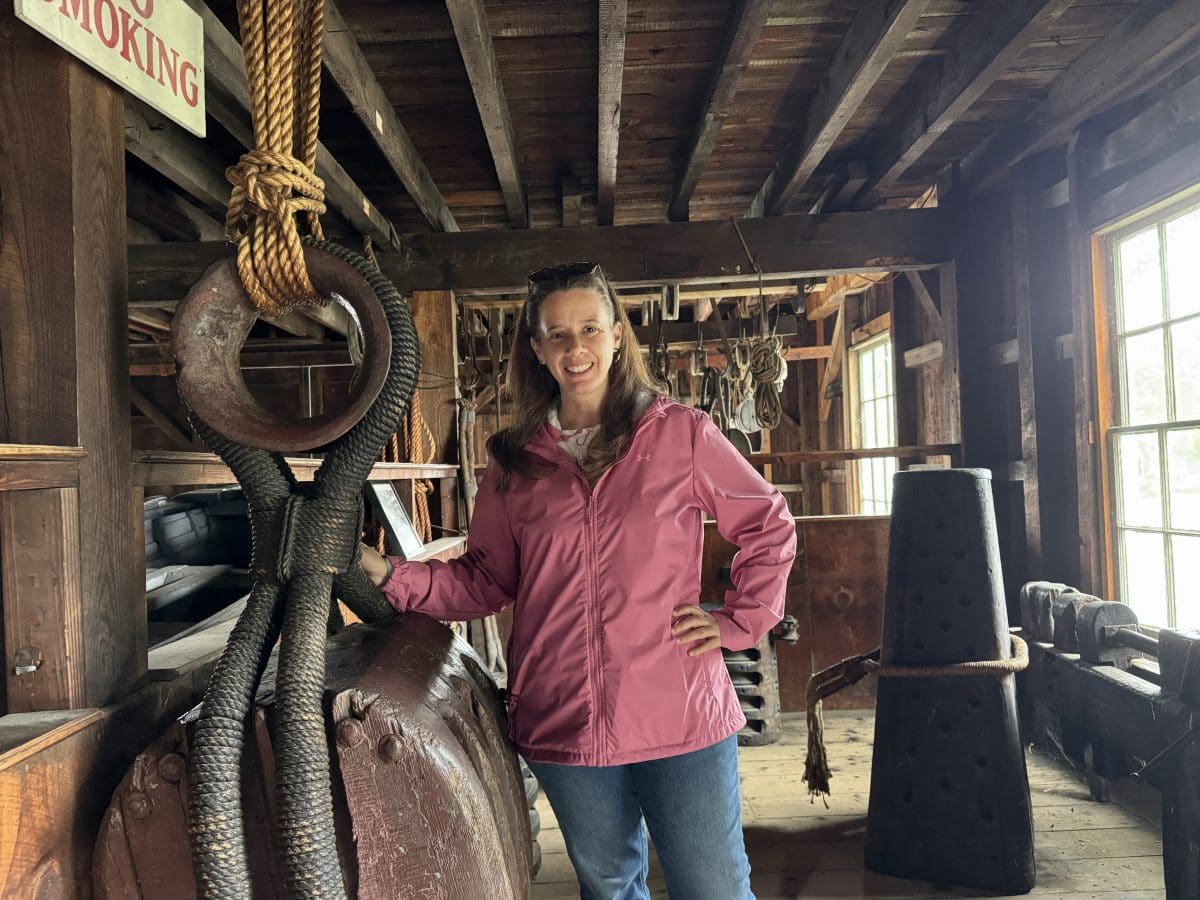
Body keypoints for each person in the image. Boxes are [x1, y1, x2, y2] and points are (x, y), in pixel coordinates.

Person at [360, 261, 796, 900]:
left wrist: (739, 619)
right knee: (610, 885)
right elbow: (484, 582)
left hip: (679, 709)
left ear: (618, 334)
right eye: (557, 334)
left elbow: (768, 522)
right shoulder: (514, 462)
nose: (576, 348)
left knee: (715, 887)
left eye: (590, 328)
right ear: (536, 349)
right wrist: (389, 576)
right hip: (564, 714)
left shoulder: (681, 434)